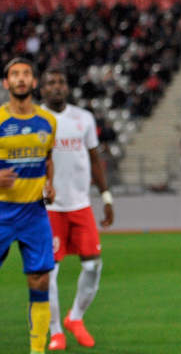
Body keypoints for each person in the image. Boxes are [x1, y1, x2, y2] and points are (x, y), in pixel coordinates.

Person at [41, 68, 114, 351]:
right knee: (49, 271)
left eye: (60, 82)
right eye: (50, 83)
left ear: (67, 87)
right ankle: (56, 331)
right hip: (49, 208)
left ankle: (76, 318)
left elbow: (95, 160)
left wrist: (106, 196)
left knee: (93, 265)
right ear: (42, 88)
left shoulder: (83, 118)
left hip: (80, 205)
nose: (56, 87)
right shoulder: (36, 119)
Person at [1, 57, 58, 354]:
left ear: (34, 82)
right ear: (6, 83)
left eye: (26, 74)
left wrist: (50, 183)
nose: (21, 79)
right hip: (1, 213)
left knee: (40, 281)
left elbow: (48, 158)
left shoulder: (48, 121)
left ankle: (37, 351)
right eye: (15, 74)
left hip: (35, 213)